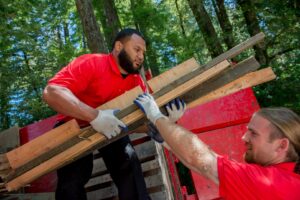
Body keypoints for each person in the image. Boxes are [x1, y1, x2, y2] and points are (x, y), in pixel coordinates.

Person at [43, 28, 151, 200]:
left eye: (143, 53)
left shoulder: (137, 82)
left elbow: (143, 122)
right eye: (137, 49)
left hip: (112, 127)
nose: (141, 57)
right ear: (118, 46)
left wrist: (157, 125)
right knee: (72, 180)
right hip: (74, 125)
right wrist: (95, 116)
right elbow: (51, 91)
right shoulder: (91, 62)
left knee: (128, 161)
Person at [134, 93, 300, 199]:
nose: (244, 137)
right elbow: (203, 167)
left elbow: (202, 161)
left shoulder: (271, 185)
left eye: (253, 133)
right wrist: (166, 139)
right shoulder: (288, 184)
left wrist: (156, 115)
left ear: (281, 146)